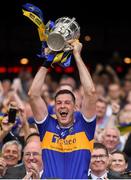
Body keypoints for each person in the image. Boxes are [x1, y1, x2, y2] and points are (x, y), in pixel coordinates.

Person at [28, 39, 97, 179]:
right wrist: (47, 61)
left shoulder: (85, 126)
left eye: (67, 103)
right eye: (59, 103)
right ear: (54, 107)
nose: (63, 106)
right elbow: (33, 95)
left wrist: (77, 55)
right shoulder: (47, 126)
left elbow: (90, 92)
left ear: (75, 107)